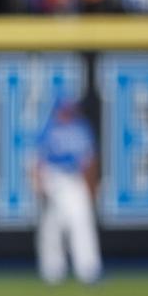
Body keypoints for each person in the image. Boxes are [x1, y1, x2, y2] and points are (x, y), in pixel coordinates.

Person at [32, 99, 102, 285]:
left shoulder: (80, 128)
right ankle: (53, 271)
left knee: (79, 224)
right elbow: (38, 159)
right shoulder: (50, 128)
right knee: (51, 228)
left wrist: (92, 185)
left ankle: (88, 269)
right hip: (55, 179)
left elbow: (90, 161)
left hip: (74, 181)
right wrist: (39, 182)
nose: (66, 112)